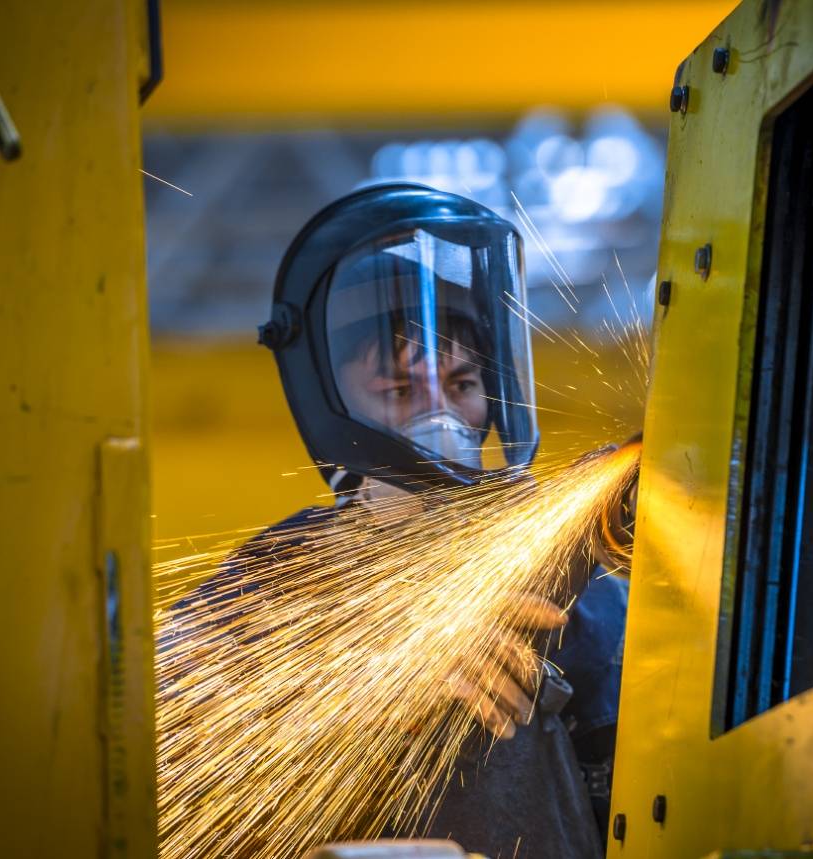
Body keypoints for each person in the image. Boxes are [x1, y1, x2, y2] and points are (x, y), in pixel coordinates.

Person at [210, 184, 627, 857]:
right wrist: (372, 686)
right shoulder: (273, 578)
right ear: (333, 405)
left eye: (461, 385)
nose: (441, 417)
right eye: (400, 389)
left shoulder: (568, 575)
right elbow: (173, 738)